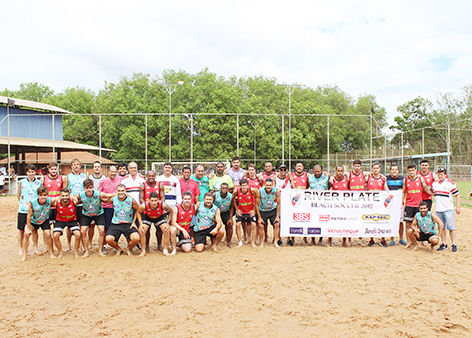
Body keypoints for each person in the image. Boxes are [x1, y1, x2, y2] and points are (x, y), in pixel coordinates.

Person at [76, 179, 115, 257]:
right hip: (86, 214)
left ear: (93, 187)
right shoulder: (80, 195)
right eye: (87, 188)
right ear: (84, 188)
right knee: (83, 231)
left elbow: (110, 195)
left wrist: (122, 194)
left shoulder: (98, 194)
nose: (89, 190)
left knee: (101, 231)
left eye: (90, 187)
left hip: (98, 214)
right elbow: (74, 199)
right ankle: (86, 251)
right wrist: (77, 202)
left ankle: (100, 251)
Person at [403, 163, 433, 247]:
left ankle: (421, 241)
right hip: (409, 204)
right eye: (410, 170)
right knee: (408, 224)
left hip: (418, 205)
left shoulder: (420, 179)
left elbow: (426, 188)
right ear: (408, 171)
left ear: (416, 170)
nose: (411, 172)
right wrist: (402, 202)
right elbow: (403, 192)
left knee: (420, 224)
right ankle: (409, 241)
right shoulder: (406, 180)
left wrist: (433, 194)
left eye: (413, 170)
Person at [106, 184, 140, 256]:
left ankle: (128, 248)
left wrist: (133, 222)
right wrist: (113, 194)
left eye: (122, 191)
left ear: (125, 191)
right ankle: (118, 249)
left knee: (136, 238)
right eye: (119, 191)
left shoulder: (131, 200)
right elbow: (103, 199)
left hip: (128, 224)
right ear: (116, 191)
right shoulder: (114, 199)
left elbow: (138, 210)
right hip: (116, 224)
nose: (121, 192)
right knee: (108, 239)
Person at [136, 191, 173, 257]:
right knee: (142, 231)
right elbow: (138, 212)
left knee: (166, 230)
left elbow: (170, 212)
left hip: (159, 217)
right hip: (148, 217)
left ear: (158, 200)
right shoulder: (144, 205)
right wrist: (141, 224)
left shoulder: (163, 205)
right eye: (152, 200)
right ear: (149, 200)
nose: (154, 202)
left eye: (155, 200)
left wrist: (167, 223)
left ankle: (165, 250)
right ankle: (143, 251)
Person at [21, 186, 53, 261]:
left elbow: (58, 199)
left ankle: (51, 253)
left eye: (45, 195)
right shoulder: (32, 203)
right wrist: (28, 227)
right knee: (26, 234)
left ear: (47, 195)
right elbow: (29, 215)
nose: (43, 197)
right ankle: (25, 255)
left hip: (44, 220)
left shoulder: (49, 200)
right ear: (38, 195)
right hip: (33, 221)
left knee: (48, 234)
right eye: (41, 195)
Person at [432, 168, 460, 252]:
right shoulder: (435, 184)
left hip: (448, 209)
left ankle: (454, 244)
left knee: (451, 228)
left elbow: (457, 195)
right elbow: (432, 192)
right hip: (438, 210)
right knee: (441, 227)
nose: (440, 176)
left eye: (442, 174)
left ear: (445, 175)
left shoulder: (450, 184)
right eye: (439, 174)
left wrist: (458, 206)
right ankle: (444, 243)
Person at [41, 162, 67, 254]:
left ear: (57, 169)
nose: (53, 171)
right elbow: (42, 192)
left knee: (56, 227)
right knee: (46, 228)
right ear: (48, 169)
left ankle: (55, 245)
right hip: (47, 207)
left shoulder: (61, 178)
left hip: (57, 206)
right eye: (51, 169)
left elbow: (64, 192)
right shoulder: (44, 178)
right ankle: (46, 246)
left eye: (55, 169)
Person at [17, 164, 42, 255]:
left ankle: (35, 248)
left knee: (34, 230)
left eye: (33, 171)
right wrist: (24, 204)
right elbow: (18, 195)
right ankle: (20, 248)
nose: (31, 173)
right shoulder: (21, 182)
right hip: (23, 210)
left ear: (35, 172)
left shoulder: (39, 182)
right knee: (21, 230)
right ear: (26, 172)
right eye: (29, 172)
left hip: (34, 210)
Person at [98, 165, 122, 254]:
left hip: (118, 208)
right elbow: (99, 194)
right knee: (106, 228)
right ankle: (104, 245)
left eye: (115, 172)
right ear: (108, 172)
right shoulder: (103, 181)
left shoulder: (120, 180)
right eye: (111, 172)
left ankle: (115, 244)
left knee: (117, 226)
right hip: (106, 207)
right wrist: (107, 200)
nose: (113, 173)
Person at [52, 188, 82, 258]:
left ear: (69, 195)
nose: (65, 197)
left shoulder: (73, 201)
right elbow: (48, 201)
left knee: (78, 234)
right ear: (60, 196)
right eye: (63, 196)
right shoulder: (56, 202)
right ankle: (60, 253)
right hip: (60, 220)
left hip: (72, 220)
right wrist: (57, 198)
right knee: (55, 235)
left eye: (66, 195)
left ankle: (76, 253)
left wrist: (72, 197)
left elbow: (78, 199)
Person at [365, 162, 389, 247]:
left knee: (381, 220)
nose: (376, 169)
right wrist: (368, 173)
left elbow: (387, 190)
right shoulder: (368, 177)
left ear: (379, 169)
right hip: (370, 203)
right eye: (374, 168)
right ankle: (371, 239)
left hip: (380, 204)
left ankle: (383, 239)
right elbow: (361, 175)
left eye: (377, 168)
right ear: (372, 169)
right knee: (370, 220)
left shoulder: (383, 179)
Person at [231, 179, 259, 247]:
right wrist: (237, 209)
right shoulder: (236, 191)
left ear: (248, 185)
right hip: (241, 210)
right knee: (238, 224)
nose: (244, 187)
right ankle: (240, 241)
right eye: (242, 185)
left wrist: (254, 210)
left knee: (254, 224)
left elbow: (257, 199)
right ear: (240, 186)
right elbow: (233, 199)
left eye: (245, 185)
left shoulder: (252, 190)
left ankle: (252, 242)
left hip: (250, 210)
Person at [308, 164, 331, 245]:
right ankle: (313, 239)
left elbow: (330, 185)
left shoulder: (326, 176)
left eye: (318, 171)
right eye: (315, 171)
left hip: (323, 203)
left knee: (323, 221)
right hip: (313, 203)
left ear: (321, 171)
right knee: (312, 221)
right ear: (313, 171)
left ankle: (321, 239)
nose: (317, 173)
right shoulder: (310, 178)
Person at [255, 178, 281, 248]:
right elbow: (256, 205)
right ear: (264, 185)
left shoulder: (276, 191)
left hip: (272, 209)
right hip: (263, 210)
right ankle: (261, 242)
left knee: (277, 224)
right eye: (267, 185)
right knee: (260, 225)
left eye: (270, 185)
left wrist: (277, 216)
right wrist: (259, 217)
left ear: (272, 185)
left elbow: (278, 204)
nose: (268, 187)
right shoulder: (260, 191)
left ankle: (275, 242)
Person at [67, 158, 86, 250]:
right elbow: (65, 190)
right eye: (74, 164)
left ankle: (83, 244)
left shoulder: (84, 176)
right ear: (71, 166)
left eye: (78, 164)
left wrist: (80, 198)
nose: (76, 166)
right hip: (71, 203)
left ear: (80, 166)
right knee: (69, 224)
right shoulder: (68, 177)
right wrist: (72, 198)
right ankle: (69, 245)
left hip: (81, 203)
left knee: (82, 225)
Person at [386, 164, 406, 246]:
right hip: (390, 204)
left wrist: (401, 202)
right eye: (392, 169)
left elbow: (404, 191)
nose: (394, 171)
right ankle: (392, 239)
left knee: (400, 222)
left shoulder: (402, 179)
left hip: (399, 203)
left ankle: (401, 238)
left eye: (396, 169)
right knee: (391, 221)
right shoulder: (386, 178)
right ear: (390, 171)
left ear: (398, 171)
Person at [330, 165, 350, 247]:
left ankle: (344, 241)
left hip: (344, 205)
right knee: (331, 222)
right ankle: (329, 240)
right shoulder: (332, 180)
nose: (340, 172)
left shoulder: (346, 178)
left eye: (341, 171)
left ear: (343, 172)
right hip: (334, 205)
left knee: (345, 222)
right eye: (338, 171)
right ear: (335, 171)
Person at [214, 183, 233, 247]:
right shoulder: (215, 195)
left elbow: (231, 207)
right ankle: (213, 242)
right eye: (223, 188)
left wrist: (230, 218)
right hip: (216, 212)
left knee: (230, 224)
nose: (224, 189)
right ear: (220, 189)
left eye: (226, 188)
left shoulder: (231, 196)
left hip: (225, 212)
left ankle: (229, 241)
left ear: (228, 189)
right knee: (213, 224)